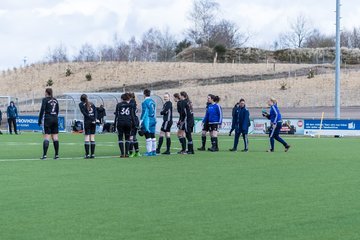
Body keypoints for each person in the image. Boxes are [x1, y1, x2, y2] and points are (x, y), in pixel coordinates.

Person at [38, 88, 60, 160]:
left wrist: (39, 119)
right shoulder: (55, 100)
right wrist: (55, 116)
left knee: (47, 137)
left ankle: (44, 155)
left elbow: (42, 109)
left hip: (48, 119)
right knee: (55, 137)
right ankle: (56, 155)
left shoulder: (45, 99)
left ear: (47, 93)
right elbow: (57, 110)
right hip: (55, 118)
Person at [115, 93, 135, 158]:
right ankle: (126, 153)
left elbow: (116, 115)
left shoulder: (118, 105)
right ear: (128, 98)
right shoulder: (130, 105)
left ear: (122, 98)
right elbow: (132, 115)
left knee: (120, 138)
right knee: (127, 138)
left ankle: (122, 153)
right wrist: (134, 124)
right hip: (128, 122)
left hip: (120, 122)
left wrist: (115, 124)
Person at [79, 94, 98, 159]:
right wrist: (94, 119)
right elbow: (96, 112)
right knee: (92, 137)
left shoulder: (81, 104)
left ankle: (87, 155)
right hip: (93, 122)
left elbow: (84, 114)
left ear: (81, 99)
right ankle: (92, 154)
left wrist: (90, 118)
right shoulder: (92, 104)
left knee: (87, 137)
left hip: (87, 122)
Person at [140, 89, 157, 156]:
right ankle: (154, 151)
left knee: (147, 135)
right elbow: (155, 112)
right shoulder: (153, 101)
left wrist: (140, 121)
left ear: (144, 94)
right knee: (153, 135)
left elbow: (144, 112)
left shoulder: (145, 102)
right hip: (153, 119)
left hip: (148, 120)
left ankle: (149, 152)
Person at [128, 93, 141, 158]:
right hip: (136, 120)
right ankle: (137, 152)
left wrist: (134, 123)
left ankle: (131, 153)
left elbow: (132, 114)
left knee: (131, 137)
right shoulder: (134, 103)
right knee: (134, 137)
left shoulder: (131, 103)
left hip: (132, 122)